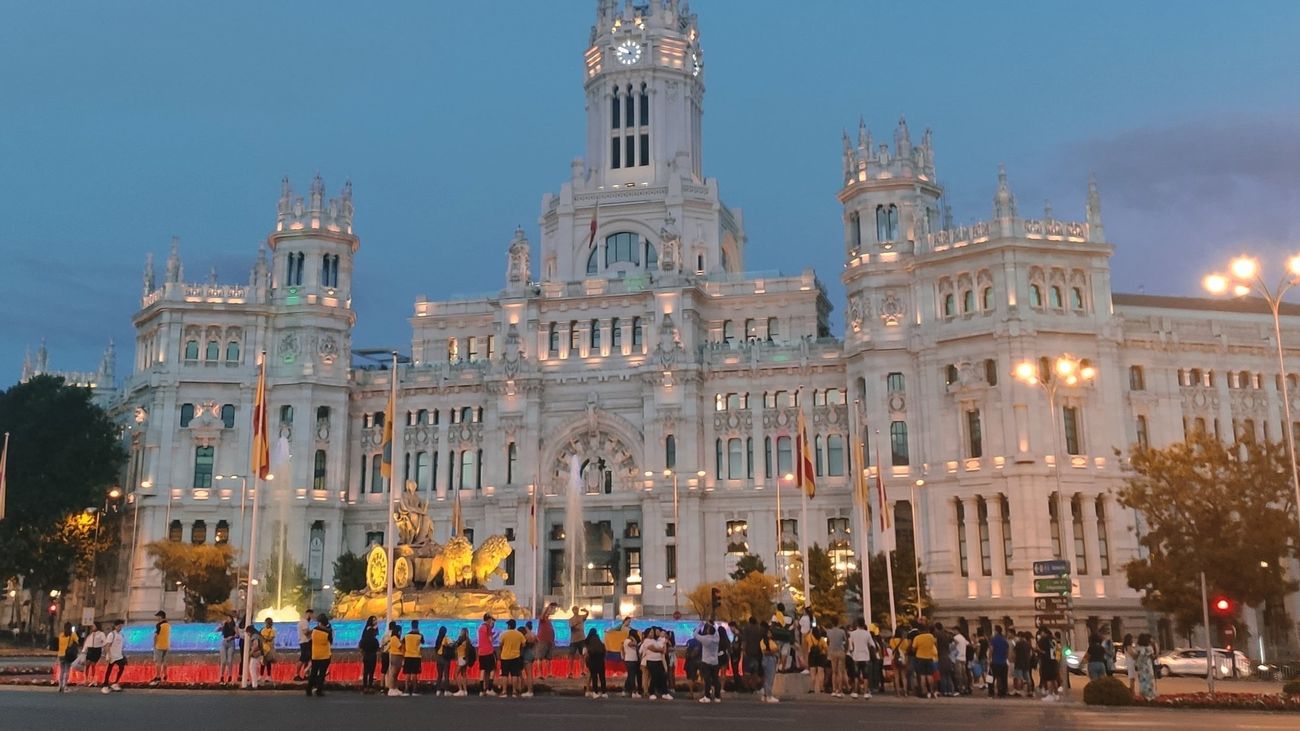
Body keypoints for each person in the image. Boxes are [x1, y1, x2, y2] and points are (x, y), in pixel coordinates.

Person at [640, 627, 671, 700]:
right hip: (651, 661)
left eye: (652, 632)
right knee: (653, 677)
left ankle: (665, 692)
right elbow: (653, 648)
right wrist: (659, 650)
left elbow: (662, 649)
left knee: (662, 676)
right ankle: (651, 692)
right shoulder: (647, 641)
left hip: (658, 660)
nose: (652, 633)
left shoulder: (655, 640)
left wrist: (660, 648)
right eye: (650, 632)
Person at [498, 618, 526, 698]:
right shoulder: (519, 634)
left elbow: (500, 645)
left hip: (505, 657)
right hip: (516, 656)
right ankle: (514, 691)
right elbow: (524, 644)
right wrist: (519, 649)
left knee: (505, 675)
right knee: (514, 675)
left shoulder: (504, 634)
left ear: (509, 626)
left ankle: (504, 692)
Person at [847, 618, 874, 699]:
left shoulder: (852, 634)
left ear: (857, 624)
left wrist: (852, 652)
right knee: (866, 676)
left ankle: (855, 692)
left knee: (856, 675)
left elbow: (850, 646)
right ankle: (866, 692)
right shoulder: (867, 634)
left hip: (856, 656)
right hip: (865, 656)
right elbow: (872, 645)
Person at [306, 614, 332, 697]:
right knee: (322, 674)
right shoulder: (328, 632)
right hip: (325, 655)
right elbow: (330, 642)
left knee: (313, 673)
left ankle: (308, 690)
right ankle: (319, 690)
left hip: (315, 655)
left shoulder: (314, 630)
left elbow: (309, 638)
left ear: (320, 622)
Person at [695, 621, 721, 703]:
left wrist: (700, 626)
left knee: (707, 680)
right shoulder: (716, 639)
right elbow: (716, 632)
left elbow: (695, 635)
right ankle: (717, 697)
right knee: (716, 679)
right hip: (715, 662)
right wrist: (713, 625)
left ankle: (707, 696)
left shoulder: (705, 639)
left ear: (708, 631)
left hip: (706, 661)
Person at [911, 622, 938, 699]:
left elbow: (913, 649)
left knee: (922, 676)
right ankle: (932, 691)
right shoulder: (931, 637)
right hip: (929, 658)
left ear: (919, 630)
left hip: (920, 658)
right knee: (930, 676)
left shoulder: (917, 638)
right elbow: (935, 644)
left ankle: (924, 692)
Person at [99, 619, 127, 693]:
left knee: (121, 668)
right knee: (109, 669)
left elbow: (122, 646)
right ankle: (105, 684)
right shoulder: (111, 634)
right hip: (112, 655)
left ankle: (115, 682)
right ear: (115, 626)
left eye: (121, 626)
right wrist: (108, 654)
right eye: (119, 626)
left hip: (119, 655)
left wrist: (123, 654)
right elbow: (107, 645)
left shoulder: (121, 635)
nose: (120, 627)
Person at [824, 618, 847, 698]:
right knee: (840, 671)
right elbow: (845, 641)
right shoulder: (842, 631)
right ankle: (840, 690)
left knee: (834, 672)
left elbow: (828, 642)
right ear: (838, 623)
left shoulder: (829, 632)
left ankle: (834, 689)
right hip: (840, 651)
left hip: (832, 651)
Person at [1130, 633, 1157, 701]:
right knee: (1150, 680)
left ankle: (1144, 695)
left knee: (1142, 680)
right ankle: (1150, 695)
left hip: (1141, 666)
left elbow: (1135, 656)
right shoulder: (1149, 648)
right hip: (1148, 666)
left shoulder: (1138, 648)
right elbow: (1153, 657)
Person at [759, 622, 780, 703]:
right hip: (768, 660)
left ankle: (765, 695)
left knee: (767, 678)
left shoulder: (771, 641)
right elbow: (765, 652)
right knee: (769, 678)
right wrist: (774, 651)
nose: (770, 634)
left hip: (772, 659)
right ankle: (769, 696)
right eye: (769, 632)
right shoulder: (763, 641)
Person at [536, 602, 558, 679]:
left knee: (549, 658)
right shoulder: (541, 620)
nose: (548, 614)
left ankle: (549, 673)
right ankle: (540, 674)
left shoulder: (549, 621)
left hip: (550, 641)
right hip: (542, 641)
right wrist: (547, 607)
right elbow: (542, 615)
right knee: (540, 658)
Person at [402, 620, 424, 696]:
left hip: (407, 656)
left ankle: (406, 690)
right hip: (416, 656)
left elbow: (403, 644)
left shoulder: (406, 635)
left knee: (407, 674)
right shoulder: (420, 635)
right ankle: (415, 690)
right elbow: (423, 642)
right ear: (417, 626)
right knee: (414, 673)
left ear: (411, 626)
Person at [478, 613, 498, 696]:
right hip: (489, 651)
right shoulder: (488, 627)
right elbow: (490, 639)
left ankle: (481, 690)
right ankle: (490, 688)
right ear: (489, 619)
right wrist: (495, 635)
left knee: (483, 670)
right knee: (492, 669)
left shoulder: (480, 627)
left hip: (481, 652)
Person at [584, 627, 607, 698]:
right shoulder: (600, 642)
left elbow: (585, 653)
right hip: (600, 662)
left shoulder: (587, 642)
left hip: (592, 662)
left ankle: (595, 692)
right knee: (602, 677)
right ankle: (604, 693)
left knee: (594, 677)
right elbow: (604, 652)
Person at [1037, 629, 1060, 700]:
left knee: (1048, 679)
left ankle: (1050, 695)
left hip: (1047, 661)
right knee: (1054, 679)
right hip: (1054, 661)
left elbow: (1041, 650)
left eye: (1041, 633)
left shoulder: (1044, 640)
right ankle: (1056, 695)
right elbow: (1058, 651)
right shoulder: (1054, 640)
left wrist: (1038, 649)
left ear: (1044, 632)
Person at [359, 616, 380, 693]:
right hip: (371, 654)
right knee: (370, 671)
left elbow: (361, 646)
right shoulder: (373, 636)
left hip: (367, 654)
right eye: (374, 620)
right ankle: (369, 686)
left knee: (367, 671)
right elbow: (377, 646)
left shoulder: (365, 636)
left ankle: (365, 687)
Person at [56, 622, 78, 693]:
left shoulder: (61, 635)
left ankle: (60, 686)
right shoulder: (72, 635)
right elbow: (77, 641)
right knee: (67, 670)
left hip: (60, 654)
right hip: (68, 654)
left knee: (61, 671)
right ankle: (65, 686)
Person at [568, 605, 589, 679]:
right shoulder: (571, 619)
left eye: (577, 609)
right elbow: (572, 627)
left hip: (582, 639)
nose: (576, 611)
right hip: (573, 640)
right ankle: (570, 672)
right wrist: (577, 623)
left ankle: (582, 671)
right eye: (574, 609)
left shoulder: (581, 617)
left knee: (582, 655)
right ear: (572, 611)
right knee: (571, 656)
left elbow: (587, 615)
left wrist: (586, 611)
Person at [217, 613, 239, 685]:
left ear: (231, 619)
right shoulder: (224, 625)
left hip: (231, 643)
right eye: (227, 618)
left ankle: (230, 675)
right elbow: (217, 630)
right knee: (223, 661)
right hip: (224, 642)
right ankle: (222, 676)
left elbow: (237, 635)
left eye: (229, 618)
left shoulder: (234, 626)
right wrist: (221, 626)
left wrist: (231, 637)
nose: (227, 619)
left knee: (229, 661)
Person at [149, 610, 170, 686]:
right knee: (164, 662)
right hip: (166, 646)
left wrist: (154, 645)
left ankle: (158, 677)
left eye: (157, 616)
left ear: (160, 616)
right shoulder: (168, 625)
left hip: (159, 646)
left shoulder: (159, 625)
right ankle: (165, 676)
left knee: (158, 662)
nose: (157, 618)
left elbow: (155, 635)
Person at [83, 622, 106, 687]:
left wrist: (103, 651)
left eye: (93, 626)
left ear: (97, 626)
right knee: (87, 664)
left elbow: (104, 642)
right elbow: (86, 643)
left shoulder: (101, 634)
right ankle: (86, 679)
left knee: (93, 665)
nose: (92, 627)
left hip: (97, 650)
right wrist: (84, 651)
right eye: (92, 626)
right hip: (90, 650)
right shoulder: (90, 634)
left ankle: (93, 679)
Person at [989, 625, 1009, 698]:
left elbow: (991, 650)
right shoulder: (1004, 640)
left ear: (996, 631)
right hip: (1003, 662)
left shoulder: (994, 640)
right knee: (1002, 678)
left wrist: (989, 658)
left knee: (990, 678)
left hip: (995, 661)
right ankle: (1002, 692)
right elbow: (1007, 651)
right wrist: (1005, 658)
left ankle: (991, 692)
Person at [621, 628, 642, 698]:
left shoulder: (630, 640)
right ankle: (634, 692)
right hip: (630, 660)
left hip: (634, 660)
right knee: (632, 676)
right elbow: (634, 644)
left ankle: (625, 690)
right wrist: (633, 638)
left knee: (630, 676)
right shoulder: (627, 641)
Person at [385, 622, 404, 697]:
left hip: (398, 656)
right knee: (393, 673)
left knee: (396, 674)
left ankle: (395, 688)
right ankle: (391, 688)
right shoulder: (394, 638)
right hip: (395, 656)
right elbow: (400, 646)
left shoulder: (396, 638)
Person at [433, 625, 453, 697]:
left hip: (439, 658)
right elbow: (451, 644)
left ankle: (438, 690)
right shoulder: (446, 638)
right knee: (446, 675)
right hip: (445, 658)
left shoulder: (437, 639)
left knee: (439, 675)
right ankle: (446, 690)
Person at [453, 627, 473, 696]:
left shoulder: (460, 639)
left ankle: (460, 690)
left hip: (461, 658)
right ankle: (465, 690)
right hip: (465, 658)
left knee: (455, 675)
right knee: (464, 675)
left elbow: (454, 645)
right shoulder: (468, 641)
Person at [807, 626, 827, 694]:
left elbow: (806, 645)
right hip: (821, 656)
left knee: (813, 673)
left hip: (812, 656)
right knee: (821, 673)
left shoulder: (809, 637)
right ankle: (821, 688)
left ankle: (812, 688)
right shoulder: (822, 639)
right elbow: (826, 648)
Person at [296, 609, 314, 682]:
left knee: (307, 659)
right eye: (311, 615)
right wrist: (314, 630)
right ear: (308, 614)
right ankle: (297, 674)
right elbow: (306, 632)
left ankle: (306, 674)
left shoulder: (302, 622)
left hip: (304, 642)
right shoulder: (305, 622)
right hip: (305, 642)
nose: (312, 617)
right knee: (303, 659)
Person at [244, 624, 264, 689]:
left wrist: (250, 653)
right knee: (253, 669)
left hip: (256, 655)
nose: (248, 635)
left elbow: (255, 645)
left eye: (248, 633)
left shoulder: (254, 636)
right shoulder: (257, 635)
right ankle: (254, 684)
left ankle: (254, 685)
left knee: (252, 669)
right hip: (259, 654)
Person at [260, 617, 277, 685]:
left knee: (268, 662)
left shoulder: (272, 630)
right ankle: (261, 675)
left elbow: (271, 638)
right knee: (262, 662)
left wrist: (265, 639)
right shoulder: (263, 630)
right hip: (263, 648)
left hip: (269, 648)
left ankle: (268, 676)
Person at [797, 607, 814, 674]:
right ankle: (811, 667)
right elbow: (814, 626)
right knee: (810, 652)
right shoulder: (813, 618)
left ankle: (807, 668)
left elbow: (800, 624)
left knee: (805, 652)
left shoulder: (803, 618)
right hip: (811, 635)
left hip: (804, 635)